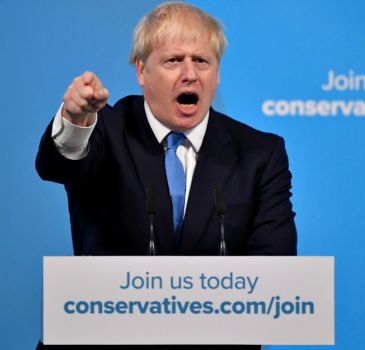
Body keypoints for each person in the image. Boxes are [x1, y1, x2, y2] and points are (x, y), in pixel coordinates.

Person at [35, 2, 297, 348]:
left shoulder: (260, 154)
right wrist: (75, 119)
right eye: (174, 61)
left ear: (216, 74)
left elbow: (274, 273)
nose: (190, 74)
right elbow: (59, 164)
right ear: (142, 70)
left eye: (201, 61)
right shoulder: (106, 128)